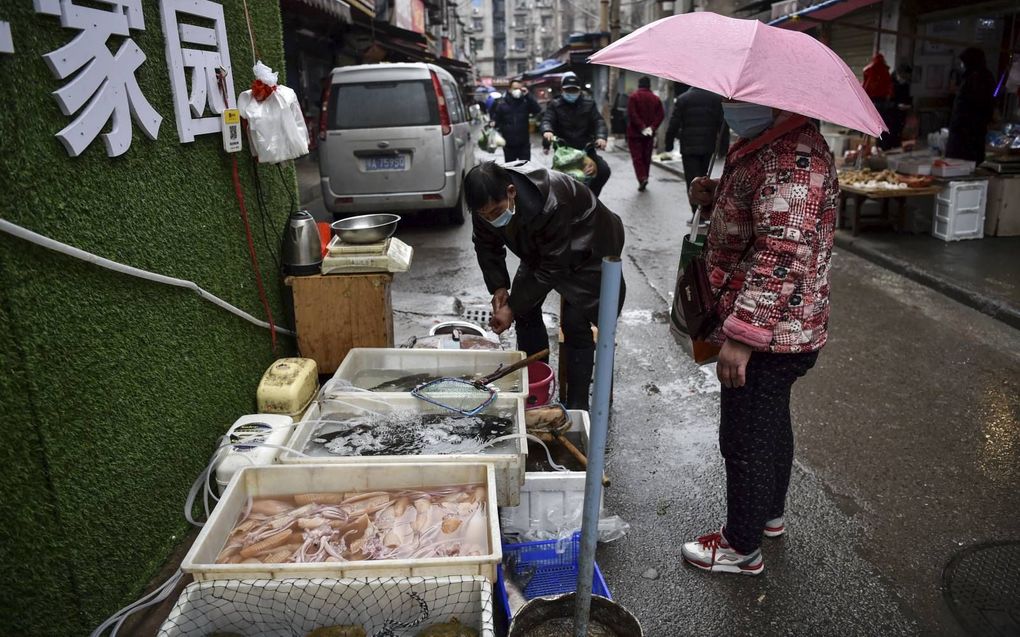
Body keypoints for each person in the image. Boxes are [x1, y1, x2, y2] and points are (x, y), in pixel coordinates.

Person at [679, 102, 838, 576]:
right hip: (784, 326)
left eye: (739, 100)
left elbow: (781, 250)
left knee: (744, 436)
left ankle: (740, 547)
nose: (730, 107)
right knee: (769, 423)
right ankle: (768, 516)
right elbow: (760, 220)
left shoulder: (790, 156)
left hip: (772, 332)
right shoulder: (769, 143)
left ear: (771, 100)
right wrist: (715, 197)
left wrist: (743, 336)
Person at [466, 161, 625, 410]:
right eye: (484, 215)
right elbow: (486, 245)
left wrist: (511, 307)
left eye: (496, 212)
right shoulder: (485, 208)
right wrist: (499, 288)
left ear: (510, 192)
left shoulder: (552, 202)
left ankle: (577, 403)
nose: (491, 219)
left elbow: (553, 267)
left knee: (575, 320)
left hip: (590, 242)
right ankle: (537, 387)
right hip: (544, 248)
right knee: (525, 310)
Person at [541, 73, 611, 196]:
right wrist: (548, 130)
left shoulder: (589, 104)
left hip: (586, 150)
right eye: (568, 90)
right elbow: (547, 120)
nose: (571, 92)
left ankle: (592, 198)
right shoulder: (554, 105)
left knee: (604, 171)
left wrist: (601, 137)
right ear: (562, 90)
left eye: (574, 89)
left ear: (579, 90)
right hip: (564, 154)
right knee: (554, 182)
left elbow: (598, 121)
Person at [664, 87, 727, 211]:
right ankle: (704, 209)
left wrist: (669, 144)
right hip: (708, 145)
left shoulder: (683, 99)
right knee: (704, 178)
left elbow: (674, 123)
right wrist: (723, 149)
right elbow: (723, 124)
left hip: (689, 146)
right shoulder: (715, 99)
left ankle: (696, 210)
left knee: (692, 179)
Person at [946, 47, 996, 163]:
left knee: (961, 161)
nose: (962, 65)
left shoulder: (976, 78)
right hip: (971, 129)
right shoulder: (979, 76)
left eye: (964, 62)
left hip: (967, 130)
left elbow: (974, 103)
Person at [625, 77, 665, 191]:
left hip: (635, 134)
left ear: (639, 85)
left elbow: (632, 114)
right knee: (646, 157)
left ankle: (642, 178)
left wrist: (641, 127)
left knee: (637, 158)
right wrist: (652, 127)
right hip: (649, 135)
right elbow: (661, 115)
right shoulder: (656, 99)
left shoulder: (633, 97)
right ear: (649, 86)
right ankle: (645, 176)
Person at [492, 80, 543, 162]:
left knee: (525, 169)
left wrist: (528, 95)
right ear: (510, 89)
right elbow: (496, 118)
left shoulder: (525, 102)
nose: (517, 91)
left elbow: (537, 110)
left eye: (519, 89)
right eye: (515, 88)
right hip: (508, 144)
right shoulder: (502, 103)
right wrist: (492, 123)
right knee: (510, 170)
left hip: (524, 144)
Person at [880, 62, 913, 150]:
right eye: (904, 76)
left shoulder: (905, 84)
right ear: (900, 73)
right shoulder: (887, 83)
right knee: (886, 144)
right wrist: (896, 106)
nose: (906, 79)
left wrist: (908, 105)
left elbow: (908, 98)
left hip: (899, 118)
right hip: (887, 118)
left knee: (896, 143)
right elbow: (881, 103)